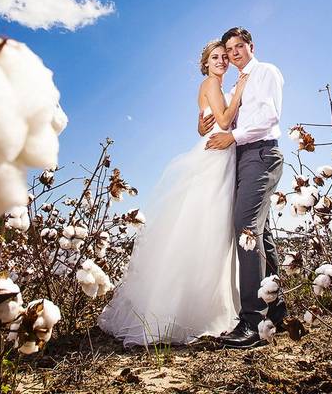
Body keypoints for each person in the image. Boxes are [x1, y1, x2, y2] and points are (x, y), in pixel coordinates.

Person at [97, 40, 248, 347]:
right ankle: (195, 313)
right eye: (214, 57)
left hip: (218, 155)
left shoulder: (209, 86)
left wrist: (208, 121)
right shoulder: (212, 83)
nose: (221, 61)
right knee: (210, 229)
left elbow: (203, 126)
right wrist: (241, 91)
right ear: (205, 64)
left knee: (205, 230)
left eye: (223, 57)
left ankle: (201, 307)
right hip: (217, 160)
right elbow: (222, 121)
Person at [201, 27, 286, 349]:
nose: (234, 52)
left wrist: (233, 137)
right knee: (260, 234)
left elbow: (268, 116)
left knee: (246, 230)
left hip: (261, 153)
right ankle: (274, 314)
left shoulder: (265, 72)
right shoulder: (236, 82)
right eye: (229, 48)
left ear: (251, 46)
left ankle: (252, 321)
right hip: (241, 157)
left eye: (239, 46)